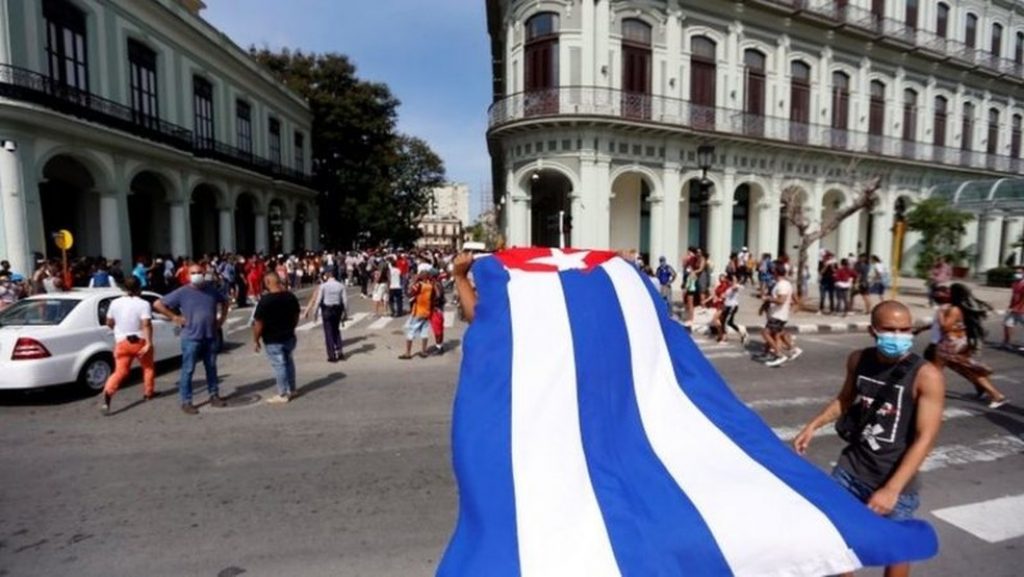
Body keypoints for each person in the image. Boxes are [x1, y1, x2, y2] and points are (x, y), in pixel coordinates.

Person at [793, 300, 945, 577]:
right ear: (873, 330)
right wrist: (813, 426)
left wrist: (892, 489)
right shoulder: (858, 359)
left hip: (894, 480)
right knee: (838, 543)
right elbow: (845, 399)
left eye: (905, 329)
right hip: (850, 470)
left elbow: (925, 437)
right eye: (890, 329)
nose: (898, 336)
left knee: (896, 549)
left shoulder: (926, 376)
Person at [154, 263, 230, 415]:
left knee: (212, 367)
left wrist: (221, 319)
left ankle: (214, 395)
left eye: (199, 272)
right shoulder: (182, 292)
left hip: (209, 335)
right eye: (193, 272)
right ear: (188, 275)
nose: (197, 275)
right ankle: (186, 401)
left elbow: (225, 301)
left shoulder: (211, 290)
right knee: (188, 370)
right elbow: (158, 304)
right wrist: (175, 317)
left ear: (204, 273)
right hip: (191, 337)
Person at [933, 283, 1008, 408]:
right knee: (965, 370)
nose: (946, 294)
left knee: (936, 370)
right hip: (958, 342)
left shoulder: (954, 309)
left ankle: (996, 395)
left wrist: (940, 314)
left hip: (950, 344)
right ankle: (986, 390)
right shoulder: (958, 308)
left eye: (949, 292)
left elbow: (945, 327)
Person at [99, 277, 156, 414]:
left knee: (120, 371)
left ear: (124, 288)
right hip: (140, 340)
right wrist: (148, 342)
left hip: (122, 341)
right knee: (148, 367)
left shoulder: (115, 303)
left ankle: (108, 393)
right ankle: (148, 393)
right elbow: (146, 324)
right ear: (139, 288)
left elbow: (109, 322)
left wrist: (118, 331)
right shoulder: (143, 304)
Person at [253, 272, 301, 404]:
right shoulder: (290, 296)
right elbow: (296, 315)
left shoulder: (265, 301)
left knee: (279, 366)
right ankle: (292, 389)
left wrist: (256, 340)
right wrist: (292, 327)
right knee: (289, 362)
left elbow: (258, 323)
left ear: (268, 283)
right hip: (289, 336)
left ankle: (282, 393)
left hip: (273, 339)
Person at [762, 262, 802, 367]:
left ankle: (779, 354)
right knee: (777, 335)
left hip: (778, 315)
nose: (771, 273)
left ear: (776, 272)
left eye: (773, 271)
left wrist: (767, 298)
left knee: (766, 333)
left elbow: (781, 300)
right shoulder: (785, 283)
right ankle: (786, 352)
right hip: (779, 314)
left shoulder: (782, 285)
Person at [304, 269, 347, 362]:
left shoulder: (323, 286)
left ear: (327, 275)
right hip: (337, 309)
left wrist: (314, 313)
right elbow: (345, 301)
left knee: (328, 332)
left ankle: (332, 355)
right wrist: (346, 313)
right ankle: (340, 352)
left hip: (327, 309)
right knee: (336, 330)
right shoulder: (341, 285)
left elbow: (318, 300)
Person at [399, 264, 436, 359]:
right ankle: (424, 351)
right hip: (427, 311)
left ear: (421, 276)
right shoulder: (430, 285)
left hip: (418, 310)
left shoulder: (419, 285)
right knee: (424, 331)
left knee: (411, 331)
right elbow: (433, 298)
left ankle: (408, 353)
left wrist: (413, 282)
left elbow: (409, 294)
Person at [1001, 266, 1024, 350]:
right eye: (1016, 272)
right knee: (1007, 324)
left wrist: (1017, 307)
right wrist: (1010, 306)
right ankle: (1006, 342)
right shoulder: (1014, 284)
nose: (1017, 274)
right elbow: (1014, 296)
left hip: (1022, 309)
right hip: (1014, 309)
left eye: (1019, 272)